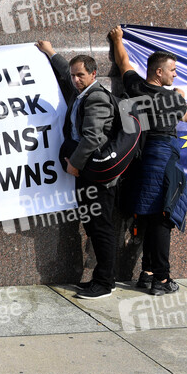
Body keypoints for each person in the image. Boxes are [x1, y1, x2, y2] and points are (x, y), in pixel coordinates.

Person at [109, 25, 187, 296]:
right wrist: (181, 95)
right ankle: (162, 280)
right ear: (159, 72)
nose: (175, 74)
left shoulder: (135, 87)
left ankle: (147, 273)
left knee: (148, 215)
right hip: (164, 158)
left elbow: (123, 62)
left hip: (141, 159)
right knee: (163, 219)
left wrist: (117, 39)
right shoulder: (172, 98)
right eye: (172, 70)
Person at [36, 40, 120, 299]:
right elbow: (65, 71)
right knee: (92, 226)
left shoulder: (96, 97)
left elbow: (92, 137)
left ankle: (105, 283)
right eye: (73, 75)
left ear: (94, 74)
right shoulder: (81, 91)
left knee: (101, 227)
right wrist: (50, 51)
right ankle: (101, 278)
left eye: (80, 75)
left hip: (97, 175)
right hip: (87, 173)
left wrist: (74, 164)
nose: (74, 80)